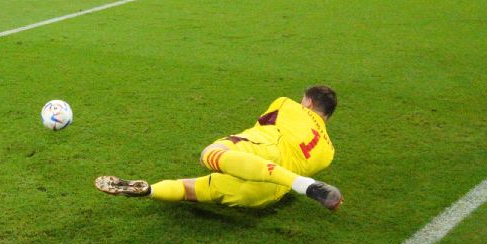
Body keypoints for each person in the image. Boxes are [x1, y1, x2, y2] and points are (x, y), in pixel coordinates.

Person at [95, 85, 342, 211]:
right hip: (266, 194)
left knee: (210, 156)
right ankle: (148, 190)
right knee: (202, 189)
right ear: (327, 116)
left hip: (265, 151)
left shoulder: (288, 104)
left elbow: (260, 124)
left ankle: (302, 184)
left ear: (307, 102)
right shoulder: (329, 152)